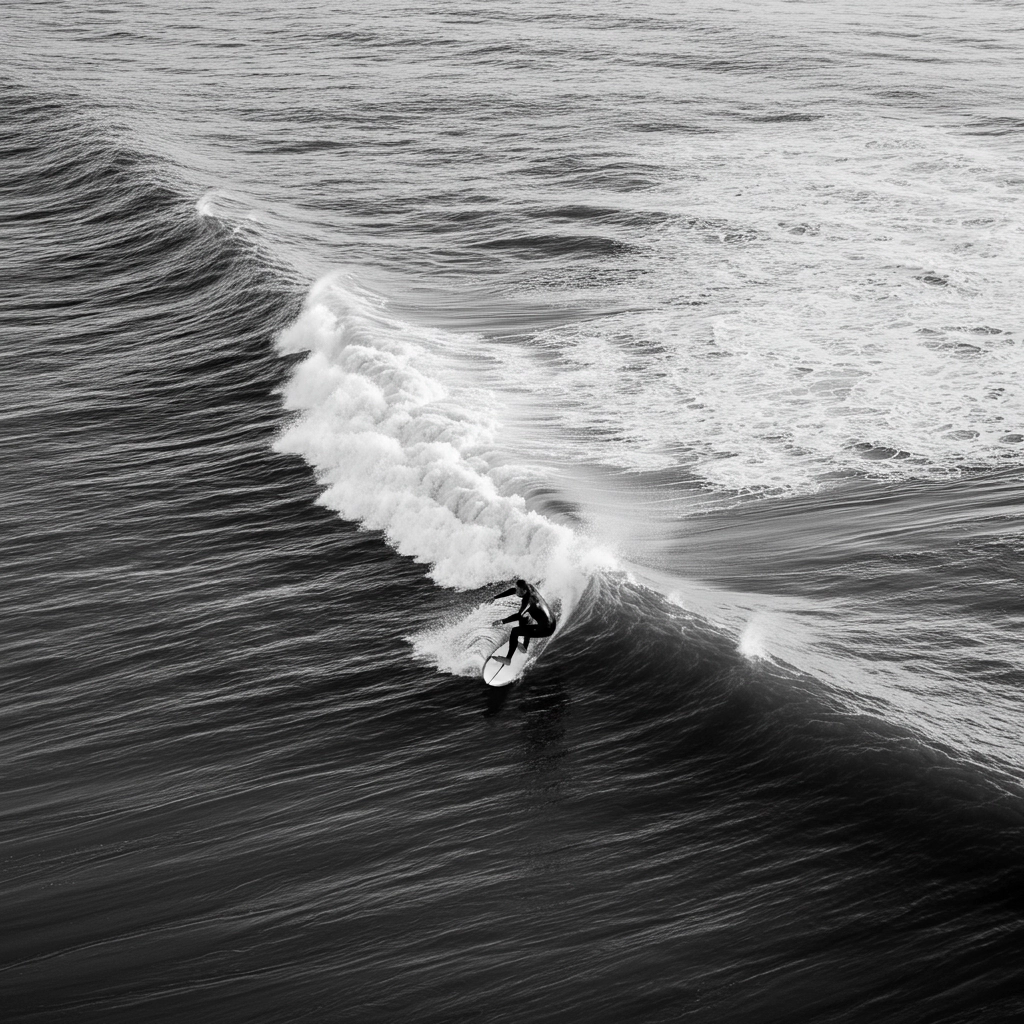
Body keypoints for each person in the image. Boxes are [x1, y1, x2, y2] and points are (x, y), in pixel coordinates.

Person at [491, 579, 556, 665]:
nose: (516, 592)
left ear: (524, 591)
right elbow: (513, 590)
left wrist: (502, 621)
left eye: (518, 590)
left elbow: (518, 616)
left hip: (546, 628)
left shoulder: (528, 601)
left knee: (515, 631)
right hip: (550, 620)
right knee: (526, 618)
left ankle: (508, 659)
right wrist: (495, 598)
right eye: (516, 589)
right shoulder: (529, 588)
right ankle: (524, 647)